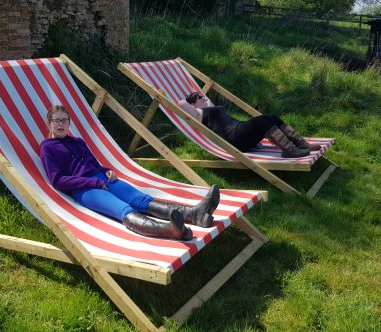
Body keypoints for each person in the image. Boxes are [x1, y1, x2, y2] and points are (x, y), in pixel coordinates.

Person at [40, 105, 220, 241]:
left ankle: (196, 214)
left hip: (103, 179)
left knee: (142, 200)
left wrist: (107, 171)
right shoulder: (47, 147)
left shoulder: (78, 141)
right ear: (49, 123)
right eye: (57, 120)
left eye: (64, 120)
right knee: (123, 209)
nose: (61, 124)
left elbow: (94, 164)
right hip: (85, 189)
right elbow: (57, 180)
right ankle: (172, 230)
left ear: (69, 123)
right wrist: (93, 183)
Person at [178, 92, 321, 158]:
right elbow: (181, 103)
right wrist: (196, 103)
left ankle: (302, 144)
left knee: (271, 117)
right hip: (234, 139)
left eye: (202, 96)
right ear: (192, 104)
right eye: (198, 97)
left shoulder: (209, 108)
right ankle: (290, 150)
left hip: (239, 130)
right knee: (262, 120)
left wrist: (204, 100)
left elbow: (208, 103)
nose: (203, 97)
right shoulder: (197, 114)